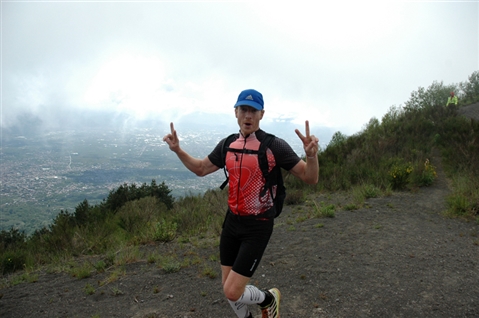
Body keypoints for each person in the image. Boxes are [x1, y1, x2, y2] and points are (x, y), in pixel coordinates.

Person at [163, 89, 319, 318]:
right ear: (235, 112)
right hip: (232, 223)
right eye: (243, 109)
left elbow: (310, 177)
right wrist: (178, 150)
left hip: (258, 225)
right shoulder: (228, 144)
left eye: (253, 110)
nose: (248, 115)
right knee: (230, 291)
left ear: (261, 114)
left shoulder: (274, 146)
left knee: (232, 290)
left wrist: (312, 156)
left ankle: (269, 298)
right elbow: (201, 168)